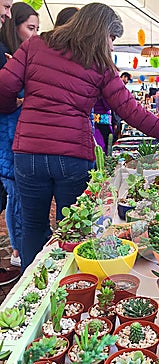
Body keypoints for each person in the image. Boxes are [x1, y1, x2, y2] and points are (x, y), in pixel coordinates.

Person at [0, 3, 159, 272]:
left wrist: (12, 106)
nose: (112, 47)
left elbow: (4, 86)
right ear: (99, 33)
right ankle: (70, 287)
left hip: (29, 153)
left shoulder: (35, 46)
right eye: (111, 39)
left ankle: (31, 293)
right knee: (73, 229)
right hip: (71, 158)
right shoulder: (100, 65)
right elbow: (132, 112)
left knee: (33, 226)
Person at [0, 2, 39, 268]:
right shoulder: (6, 55)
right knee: (16, 195)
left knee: (18, 195)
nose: (35, 35)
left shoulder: (16, 54)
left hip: (18, 135)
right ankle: (17, 252)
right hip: (7, 136)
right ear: (15, 27)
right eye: (30, 28)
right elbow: (7, 99)